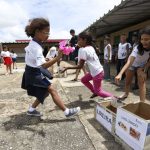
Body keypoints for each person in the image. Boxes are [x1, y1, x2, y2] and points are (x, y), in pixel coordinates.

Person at [21, 18, 80, 117]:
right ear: (37, 32)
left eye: (49, 33)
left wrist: (46, 59)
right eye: (46, 33)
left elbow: (36, 60)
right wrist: (58, 57)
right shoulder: (36, 47)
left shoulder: (34, 43)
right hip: (34, 73)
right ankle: (67, 112)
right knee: (52, 89)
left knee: (44, 93)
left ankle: (31, 109)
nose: (48, 36)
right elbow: (43, 66)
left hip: (31, 71)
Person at [62, 32, 117, 100]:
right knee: (83, 80)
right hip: (98, 71)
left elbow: (80, 66)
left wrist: (67, 68)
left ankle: (114, 99)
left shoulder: (83, 50)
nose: (77, 42)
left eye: (79, 40)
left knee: (99, 91)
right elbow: (89, 57)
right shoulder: (91, 47)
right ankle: (95, 91)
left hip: (97, 73)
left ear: (84, 40)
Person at [115, 27, 150, 102]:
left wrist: (144, 71)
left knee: (142, 82)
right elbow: (129, 62)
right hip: (132, 65)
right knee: (128, 81)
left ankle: (142, 102)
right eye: (142, 39)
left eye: (146, 39)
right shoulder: (137, 48)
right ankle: (126, 94)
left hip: (141, 66)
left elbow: (149, 62)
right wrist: (120, 74)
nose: (143, 41)